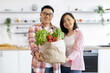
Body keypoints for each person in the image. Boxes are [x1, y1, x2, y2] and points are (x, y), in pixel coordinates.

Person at [28, 5, 60, 73]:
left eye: (50, 14)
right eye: (45, 13)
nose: (47, 16)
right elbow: (32, 43)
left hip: (53, 67)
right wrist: (36, 53)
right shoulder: (34, 28)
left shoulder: (56, 30)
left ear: (52, 16)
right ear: (41, 14)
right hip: (38, 66)